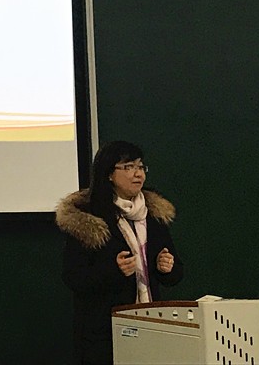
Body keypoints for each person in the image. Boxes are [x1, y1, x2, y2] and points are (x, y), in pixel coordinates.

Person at [55, 140, 184, 365]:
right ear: (109, 174)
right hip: (104, 335)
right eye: (128, 167)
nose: (138, 174)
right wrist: (113, 270)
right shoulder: (89, 218)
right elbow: (73, 277)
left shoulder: (153, 215)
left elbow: (174, 274)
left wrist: (167, 268)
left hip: (151, 327)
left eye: (141, 166)